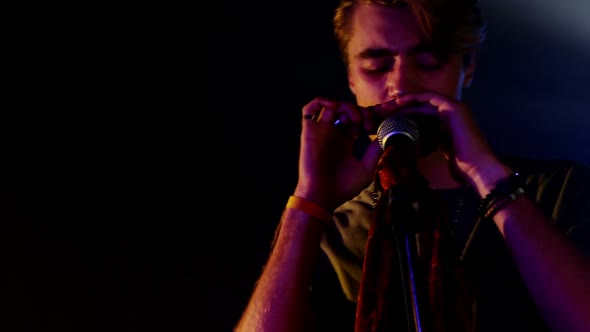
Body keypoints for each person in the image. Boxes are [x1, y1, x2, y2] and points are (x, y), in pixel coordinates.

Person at [234, 0, 590, 331]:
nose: (401, 85)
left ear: (468, 67)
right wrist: (309, 199)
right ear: (350, 78)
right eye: (376, 65)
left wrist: (487, 176)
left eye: (429, 61)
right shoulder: (328, 227)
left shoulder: (555, 192)